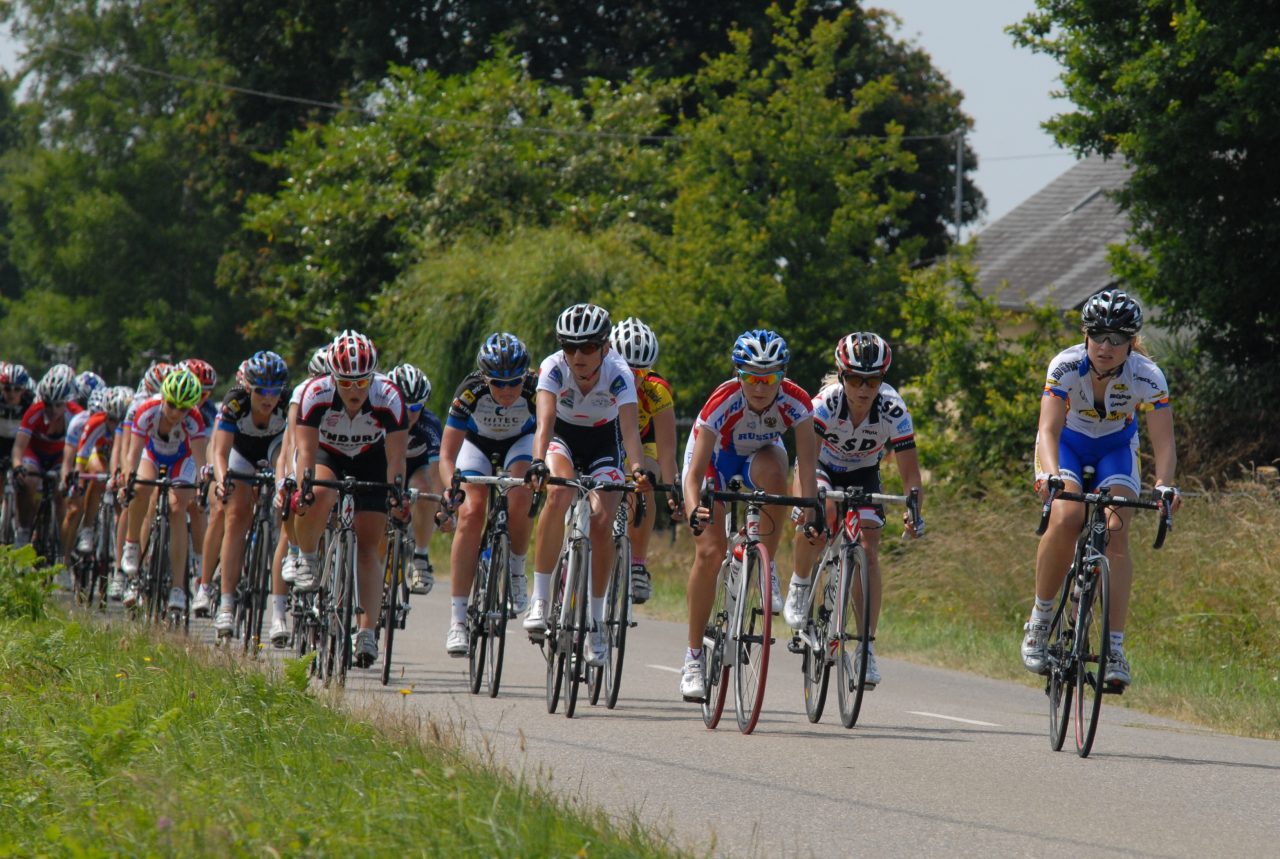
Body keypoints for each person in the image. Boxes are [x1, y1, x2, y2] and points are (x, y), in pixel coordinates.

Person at [1022, 289, 1181, 688]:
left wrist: (1164, 485)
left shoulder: (1147, 375)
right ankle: (1040, 622)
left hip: (1115, 449)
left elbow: (1164, 443)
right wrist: (1051, 475)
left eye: (1117, 338)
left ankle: (1114, 647)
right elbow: (1048, 429)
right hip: (1068, 448)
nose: (1106, 347)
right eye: (1098, 336)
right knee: (1068, 516)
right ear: (1085, 334)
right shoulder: (1065, 365)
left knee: (1116, 530)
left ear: (1131, 342)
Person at [678, 329, 820, 702]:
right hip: (715, 462)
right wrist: (695, 510)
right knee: (710, 551)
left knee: (776, 474)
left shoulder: (797, 402)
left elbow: (807, 468)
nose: (760, 386)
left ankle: (764, 561)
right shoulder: (722, 401)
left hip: (760, 456)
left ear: (782, 376)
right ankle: (693, 657)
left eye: (769, 377)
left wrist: (808, 510)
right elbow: (693, 475)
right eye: (751, 377)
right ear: (738, 375)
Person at [783, 332, 924, 689]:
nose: (864, 388)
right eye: (856, 379)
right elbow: (805, 459)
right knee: (822, 513)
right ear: (842, 376)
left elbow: (911, 476)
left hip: (864, 471)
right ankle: (800, 585)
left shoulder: (893, 408)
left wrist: (914, 511)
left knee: (870, 545)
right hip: (821, 466)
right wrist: (806, 506)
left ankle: (865, 647)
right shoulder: (825, 405)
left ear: (882, 379)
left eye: (873, 380)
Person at [524, 304, 648, 668]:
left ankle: (594, 622)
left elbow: (629, 431)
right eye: (570, 346)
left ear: (605, 347)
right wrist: (536, 463)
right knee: (558, 493)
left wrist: (638, 470)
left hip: (604, 443)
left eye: (589, 347)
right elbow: (544, 424)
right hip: (563, 438)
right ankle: (541, 598)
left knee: (601, 520)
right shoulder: (552, 367)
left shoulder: (619, 372)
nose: (579, 355)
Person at [292, 330, 408, 669]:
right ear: (333, 377)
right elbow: (306, 452)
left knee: (369, 542)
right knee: (321, 492)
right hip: (329, 456)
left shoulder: (388, 396)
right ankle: (309, 557)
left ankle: (367, 630)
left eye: (361, 382)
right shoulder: (316, 393)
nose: (354, 390)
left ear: (373, 377)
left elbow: (397, 457)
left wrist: (396, 494)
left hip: (371, 457)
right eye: (346, 382)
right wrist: (304, 490)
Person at [437, 332, 537, 656]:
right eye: (498, 383)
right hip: (476, 446)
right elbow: (447, 456)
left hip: (520, 444)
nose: (507, 391)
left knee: (520, 496)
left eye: (514, 383)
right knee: (471, 512)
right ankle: (457, 621)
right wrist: (451, 488)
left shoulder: (536, 391)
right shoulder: (470, 391)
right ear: (485, 378)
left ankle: (518, 571)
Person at [205, 351, 291, 644]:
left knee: (287, 509)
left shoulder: (288, 404)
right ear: (249, 388)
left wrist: (283, 486)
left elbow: (288, 454)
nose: (269, 398)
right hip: (240, 453)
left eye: (274, 391)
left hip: (274, 450)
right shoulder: (234, 401)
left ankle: (280, 610)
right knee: (237, 514)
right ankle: (227, 602)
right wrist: (221, 480)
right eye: (261, 391)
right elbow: (219, 451)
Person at [119, 368, 209, 612]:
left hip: (182, 459)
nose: (175, 412)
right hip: (153, 454)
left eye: (183, 408)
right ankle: (132, 545)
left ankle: (179, 587)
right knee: (140, 487)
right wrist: (127, 481)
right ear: (163, 398)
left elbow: (201, 461)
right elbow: (133, 454)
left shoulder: (194, 419)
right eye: (171, 405)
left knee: (178, 508)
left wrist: (202, 488)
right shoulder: (146, 410)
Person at [608, 317, 682, 604]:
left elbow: (666, 449)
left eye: (640, 372)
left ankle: (637, 564)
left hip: (642, 444)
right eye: (627, 370)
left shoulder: (656, 390)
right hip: (601, 441)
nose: (633, 378)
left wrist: (672, 488)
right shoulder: (598, 379)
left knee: (646, 483)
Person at [387, 363, 446, 595]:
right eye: (404, 406)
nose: (411, 413)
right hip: (387, 464)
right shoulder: (380, 418)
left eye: (417, 407)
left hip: (417, 466)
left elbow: (436, 472)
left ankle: (421, 556)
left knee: (424, 488)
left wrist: (443, 508)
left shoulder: (428, 425)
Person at [10, 364, 83, 549]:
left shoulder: (76, 416)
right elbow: (19, 447)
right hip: (34, 453)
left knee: (62, 492)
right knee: (28, 482)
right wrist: (18, 467)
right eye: (48, 404)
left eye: (58, 405)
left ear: (67, 402)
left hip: (61, 456)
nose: (52, 410)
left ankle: (62, 546)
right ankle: (24, 530)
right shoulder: (34, 412)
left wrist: (75, 472)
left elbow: (82, 452)